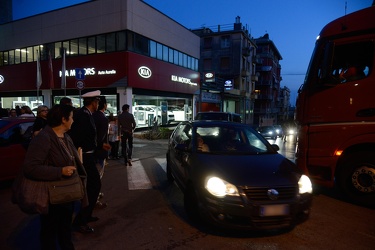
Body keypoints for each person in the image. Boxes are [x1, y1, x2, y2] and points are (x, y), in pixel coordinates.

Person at [22, 104, 87, 250]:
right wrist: (60, 171)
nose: (73, 121)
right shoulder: (44, 138)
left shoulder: (66, 136)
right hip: (51, 197)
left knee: (65, 231)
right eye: (71, 117)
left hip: (66, 195)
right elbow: (30, 167)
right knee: (49, 233)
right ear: (63, 119)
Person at [69, 90, 105, 234]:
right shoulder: (83, 116)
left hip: (88, 154)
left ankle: (86, 215)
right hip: (84, 156)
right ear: (93, 102)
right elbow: (80, 137)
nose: (98, 105)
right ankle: (81, 220)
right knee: (93, 185)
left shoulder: (86, 114)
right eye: (97, 102)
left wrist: (100, 145)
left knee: (92, 186)